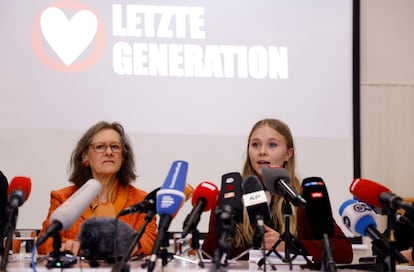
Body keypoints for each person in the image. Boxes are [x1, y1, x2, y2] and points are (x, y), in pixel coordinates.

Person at [202, 118, 353, 264]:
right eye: (255, 145)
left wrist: (289, 247)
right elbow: (208, 252)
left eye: (272, 145)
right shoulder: (232, 195)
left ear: (288, 153)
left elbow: (343, 251)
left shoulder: (302, 197)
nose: (262, 151)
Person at [36, 121, 157, 257]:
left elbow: (150, 240)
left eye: (115, 147)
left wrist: (129, 245)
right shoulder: (63, 197)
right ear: (85, 157)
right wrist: (72, 245)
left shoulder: (142, 200)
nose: (109, 152)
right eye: (100, 147)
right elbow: (44, 242)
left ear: (123, 157)